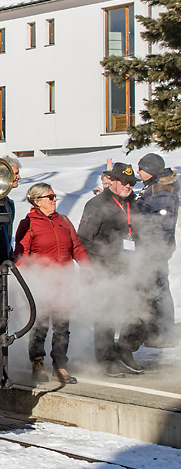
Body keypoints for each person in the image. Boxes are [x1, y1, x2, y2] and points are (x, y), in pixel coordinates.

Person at [14, 183, 89, 384]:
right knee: (40, 327)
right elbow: (21, 255)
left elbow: (77, 247)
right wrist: (26, 280)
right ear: (37, 201)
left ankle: (60, 365)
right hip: (42, 283)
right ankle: (37, 362)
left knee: (62, 327)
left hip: (64, 282)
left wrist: (87, 267)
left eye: (54, 196)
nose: (55, 200)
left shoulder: (63, 220)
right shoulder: (29, 223)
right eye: (50, 197)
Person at [78, 161, 143, 377]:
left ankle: (124, 350)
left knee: (135, 312)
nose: (128, 186)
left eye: (132, 182)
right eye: (124, 182)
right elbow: (84, 238)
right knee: (106, 315)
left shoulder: (132, 203)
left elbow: (139, 233)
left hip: (131, 267)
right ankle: (106, 359)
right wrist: (94, 268)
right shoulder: (97, 204)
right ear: (112, 181)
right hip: (105, 268)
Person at [137, 153, 178, 347]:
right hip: (152, 248)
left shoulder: (161, 191)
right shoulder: (153, 187)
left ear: (150, 170)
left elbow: (163, 223)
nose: (138, 171)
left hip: (155, 250)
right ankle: (154, 332)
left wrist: (150, 244)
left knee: (159, 291)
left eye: (141, 168)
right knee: (154, 289)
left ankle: (163, 334)